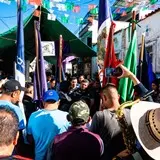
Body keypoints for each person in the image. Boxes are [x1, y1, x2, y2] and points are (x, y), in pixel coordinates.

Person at [89, 65, 152, 160]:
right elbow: (149, 101)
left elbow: (92, 143)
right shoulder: (132, 112)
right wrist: (131, 75)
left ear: (104, 98)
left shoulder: (99, 116)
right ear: (118, 96)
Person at [27, 90, 70, 160]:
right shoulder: (66, 116)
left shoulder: (33, 115)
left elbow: (29, 139)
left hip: (39, 157)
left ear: (43, 102)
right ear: (58, 102)